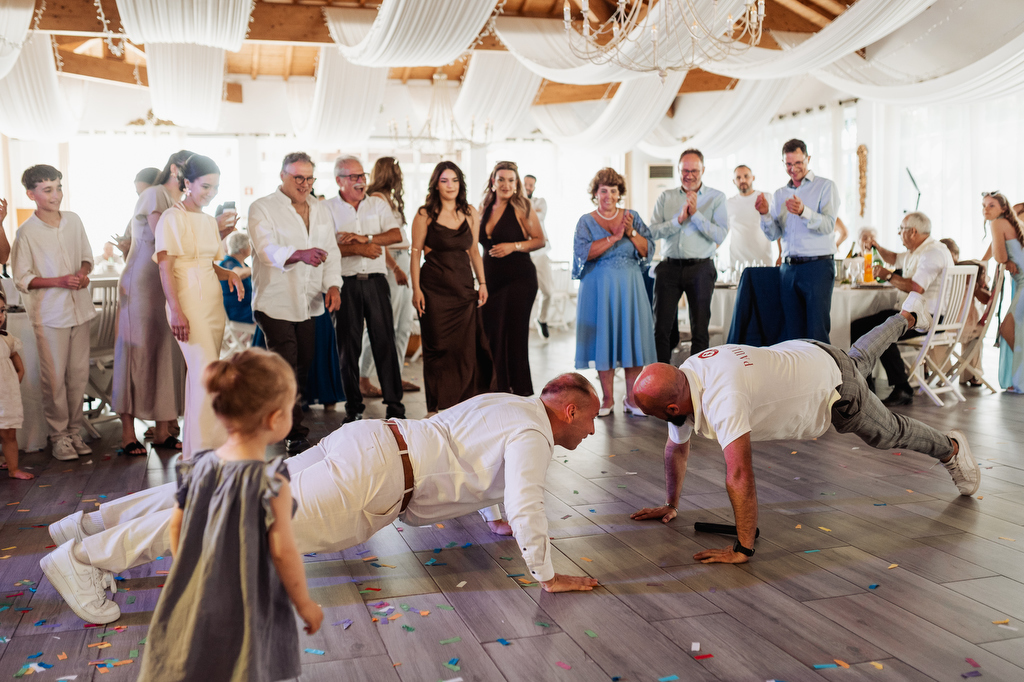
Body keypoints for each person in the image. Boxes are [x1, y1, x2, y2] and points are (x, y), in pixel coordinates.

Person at [40, 373, 604, 623]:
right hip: (377, 477)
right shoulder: (534, 436)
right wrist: (547, 573)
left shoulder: (511, 404)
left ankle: (90, 526)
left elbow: (472, 449)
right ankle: (84, 558)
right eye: (591, 420)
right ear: (570, 410)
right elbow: (527, 500)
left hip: (372, 440)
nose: (591, 432)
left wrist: (493, 513)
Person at [629, 297, 980, 563]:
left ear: (671, 409)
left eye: (652, 414)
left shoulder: (724, 399)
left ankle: (950, 448)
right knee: (857, 359)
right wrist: (670, 503)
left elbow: (739, 475)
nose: (658, 420)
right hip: (810, 352)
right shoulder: (689, 370)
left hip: (835, 389)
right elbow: (676, 446)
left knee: (888, 431)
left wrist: (743, 548)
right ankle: (908, 315)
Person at [133, 349, 322, 681]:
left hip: (196, 591)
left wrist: (188, 570)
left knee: (196, 661)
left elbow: (176, 526)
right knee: (242, 664)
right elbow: (282, 551)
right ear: (275, 419)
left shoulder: (198, 466)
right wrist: (304, 603)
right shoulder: (271, 482)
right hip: (245, 599)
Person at [249, 152, 342, 454]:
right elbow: (266, 250)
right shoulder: (262, 207)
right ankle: (294, 433)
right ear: (282, 176)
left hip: (310, 302)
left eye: (309, 178)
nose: (305, 184)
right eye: (298, 177)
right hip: (275, 301)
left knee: (303, 366)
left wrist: (333, 285)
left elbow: (331, 251)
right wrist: (300, 254)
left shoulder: (320, 208)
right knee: (286, 365)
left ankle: (278, 419)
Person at [155, 154, 244, 460]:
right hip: (187, 302)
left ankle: (195, 450)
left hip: (213, 302)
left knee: (201, 374)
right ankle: (211, 449)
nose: (211, 193)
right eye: (206, 186)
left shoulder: (207, 221)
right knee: (206, 372)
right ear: (187, 183)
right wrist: (176, 310)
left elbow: (209, 263)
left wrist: (229, 273)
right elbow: (165, 268)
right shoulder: (171, 218)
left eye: (215, 187)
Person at [11, 165, 95, 462]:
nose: (56, 195)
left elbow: (87, 258)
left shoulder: (74, 221)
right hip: (49, 314)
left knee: (78, 376)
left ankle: (74, 431)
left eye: (58, 187)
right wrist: (58, 281)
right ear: (31, 194)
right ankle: (58, 436)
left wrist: (83, 274)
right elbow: (22, 278)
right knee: (55, 379)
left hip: (80, 310)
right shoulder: (26, 232)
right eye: (48, 190)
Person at [113, 151, 192, 457]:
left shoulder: (180, 201)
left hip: (167, 284)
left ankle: (162, 430)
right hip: (143, 284)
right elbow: (166, 239)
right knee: (136, 354)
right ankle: (127, 434)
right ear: (174, 168)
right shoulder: (155, 193)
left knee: (166, 353)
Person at [325, 155, 405, 423]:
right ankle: (353, 407)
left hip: (376, 282)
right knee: (348, 348)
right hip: (344, 283)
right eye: (354, 177)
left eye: (362, 176)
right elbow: (327, 247)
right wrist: (361, 249)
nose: (361, 181)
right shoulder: (326, 208)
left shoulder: (377, 204)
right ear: (339, 180)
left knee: (385, 342)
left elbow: (395, 235)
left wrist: (365, 238)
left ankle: (395, 406)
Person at [411, 161, 494, 414]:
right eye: (444, 180)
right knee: (437, 348)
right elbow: (415, 253)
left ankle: (462, 406)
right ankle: (437, 407)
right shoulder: (425, 214)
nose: (450, 185)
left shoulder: (470, 212)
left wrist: (482, 282)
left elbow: (474, 251)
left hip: (463, 289)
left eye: (455, 180)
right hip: (434, 290)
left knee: (464, 350)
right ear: (436, 184)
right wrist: (416, 290)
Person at [574, 167, 656, 416]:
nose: (608, 195)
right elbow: (584, 253)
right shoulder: (586, 221)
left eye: (613, 190)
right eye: (603, 191)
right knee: (604, 339)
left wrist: (630, 233)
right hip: (598, 290)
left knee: (632, 338)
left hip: (630, 287)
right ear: (595, 193)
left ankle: (631, 399)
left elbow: (647, 250)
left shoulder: (632, 217)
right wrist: (615, 237)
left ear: (619, 193)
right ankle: (607, 399)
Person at [853, 212, 953, 406]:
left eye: (901, 229)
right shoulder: (918, 250)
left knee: (884, 330)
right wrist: (877, 247)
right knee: (859, 326)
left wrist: (889, 276)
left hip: (927, 317)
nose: (899, 233)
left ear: (913, 232)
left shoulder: (933, 253)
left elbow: (916, 287)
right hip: (915, 313)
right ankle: (865, 385)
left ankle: (901, 387)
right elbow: (893, 258)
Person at [757, 138, 839, 343]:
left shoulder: (825, 186)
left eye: (798, 163)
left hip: (817, 267)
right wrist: (765, 214)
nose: (793, 169)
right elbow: (774, 234)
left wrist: (804, 211)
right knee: (792, 334)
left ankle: (821, 366)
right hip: (788, 270)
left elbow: (829, 225)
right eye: (788, 164)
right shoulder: (779, 194)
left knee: (817, 332)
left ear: (808, 159)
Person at [650, 149, 728, 362]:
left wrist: (696, 215)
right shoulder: (666, 197)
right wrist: (678, 220)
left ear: (703, 170)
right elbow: (653, 232)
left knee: (700, 330)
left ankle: (697, 378)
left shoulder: (717, 197)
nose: (689, 175)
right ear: (678, 170)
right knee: (661, 329)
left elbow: (720, 234)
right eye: (685, 170)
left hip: (701, 268)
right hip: (668, 267)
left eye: (694, 170)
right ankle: (662, 378)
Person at [479, 161, 545, 396]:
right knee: (491, 334)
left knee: (514, 337)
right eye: (501, 180)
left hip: (520, 279)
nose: (506, 185)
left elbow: (539, 240)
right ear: (493, 182)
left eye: (511, 180)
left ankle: (520, 392)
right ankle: (498, 388)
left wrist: (513, 246)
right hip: (491, 281)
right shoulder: (485, 207)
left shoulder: (522, 207)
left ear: (517, 183)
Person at [358, 156, 421, 397]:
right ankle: (363, 377)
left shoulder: (391, 199)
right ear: (388, 173)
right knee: (382, 324)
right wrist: (395, 268)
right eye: (397, 171)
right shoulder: (375, 199)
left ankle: (394, 376)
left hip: (403, 259)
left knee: (403, 326)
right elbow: (376, 240)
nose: (400, 176)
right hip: (391, 262)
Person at [983, 192, 1024, 393]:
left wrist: (1005, 260)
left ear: (1003, 208)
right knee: (1012, 329)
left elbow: (999, 256)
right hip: (1020, 282)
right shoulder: (1009, 224)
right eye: (984, 205)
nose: (986, 209)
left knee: (1007, 329)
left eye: (991, 205)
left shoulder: (997, 224)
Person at [0, 289, 32, 479]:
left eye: (2, 310)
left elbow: (16, 360)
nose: (0, 316)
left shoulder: (6, 338)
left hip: (6, 397)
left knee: (9, 435)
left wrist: (17, 377)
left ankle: (14, 469)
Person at [524, 174, 554, 339]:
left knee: (548, 291)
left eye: (531, 185)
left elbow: (538, 217)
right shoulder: (514, 203)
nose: (528, 187)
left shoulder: (540, 202)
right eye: (525, 184)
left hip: (541, 252)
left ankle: (542, 319)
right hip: (523, 254)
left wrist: (526, 210)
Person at [726, 165, 772, 268]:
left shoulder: (766, 198)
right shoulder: (729, 203)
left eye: (746, 176)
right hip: (737, 264)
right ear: (734, 181)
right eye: (738, 177)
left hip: (763, 262)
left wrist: (781, 254)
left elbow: (777, 228)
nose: (742, 180)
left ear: (753, 178)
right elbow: (723, 231)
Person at [219, 230, 254, 324]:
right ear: (242, 249)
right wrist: (258, 268)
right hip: (239, 311)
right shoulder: (227, 262)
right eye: (249, 245)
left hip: (248, 306)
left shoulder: (244, 264)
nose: (251, 247)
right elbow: (237, 274)